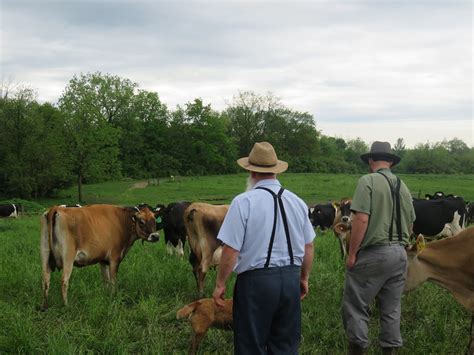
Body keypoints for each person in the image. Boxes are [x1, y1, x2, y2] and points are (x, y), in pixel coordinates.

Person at [212, 141, 315, 355]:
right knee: (285, 345)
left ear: (251, 171)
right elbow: (308, 245)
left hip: (255, 284)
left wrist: (221, 283)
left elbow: (231, 250)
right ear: (275, 171)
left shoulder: (243, 202)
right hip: (290, 281)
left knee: (251, 345)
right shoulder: (297, 202)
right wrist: (303, 278)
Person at [342, 141, 416, 355]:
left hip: (374, 253)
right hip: (400, 254)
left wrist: (353, 253)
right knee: (391, 309)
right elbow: (411, 224)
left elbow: (361, 220)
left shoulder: (367, 181)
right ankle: (389, 351)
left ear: (371, 160)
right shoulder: (403, 185)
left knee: (356, 306)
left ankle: (358, 349)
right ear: (391, 161)